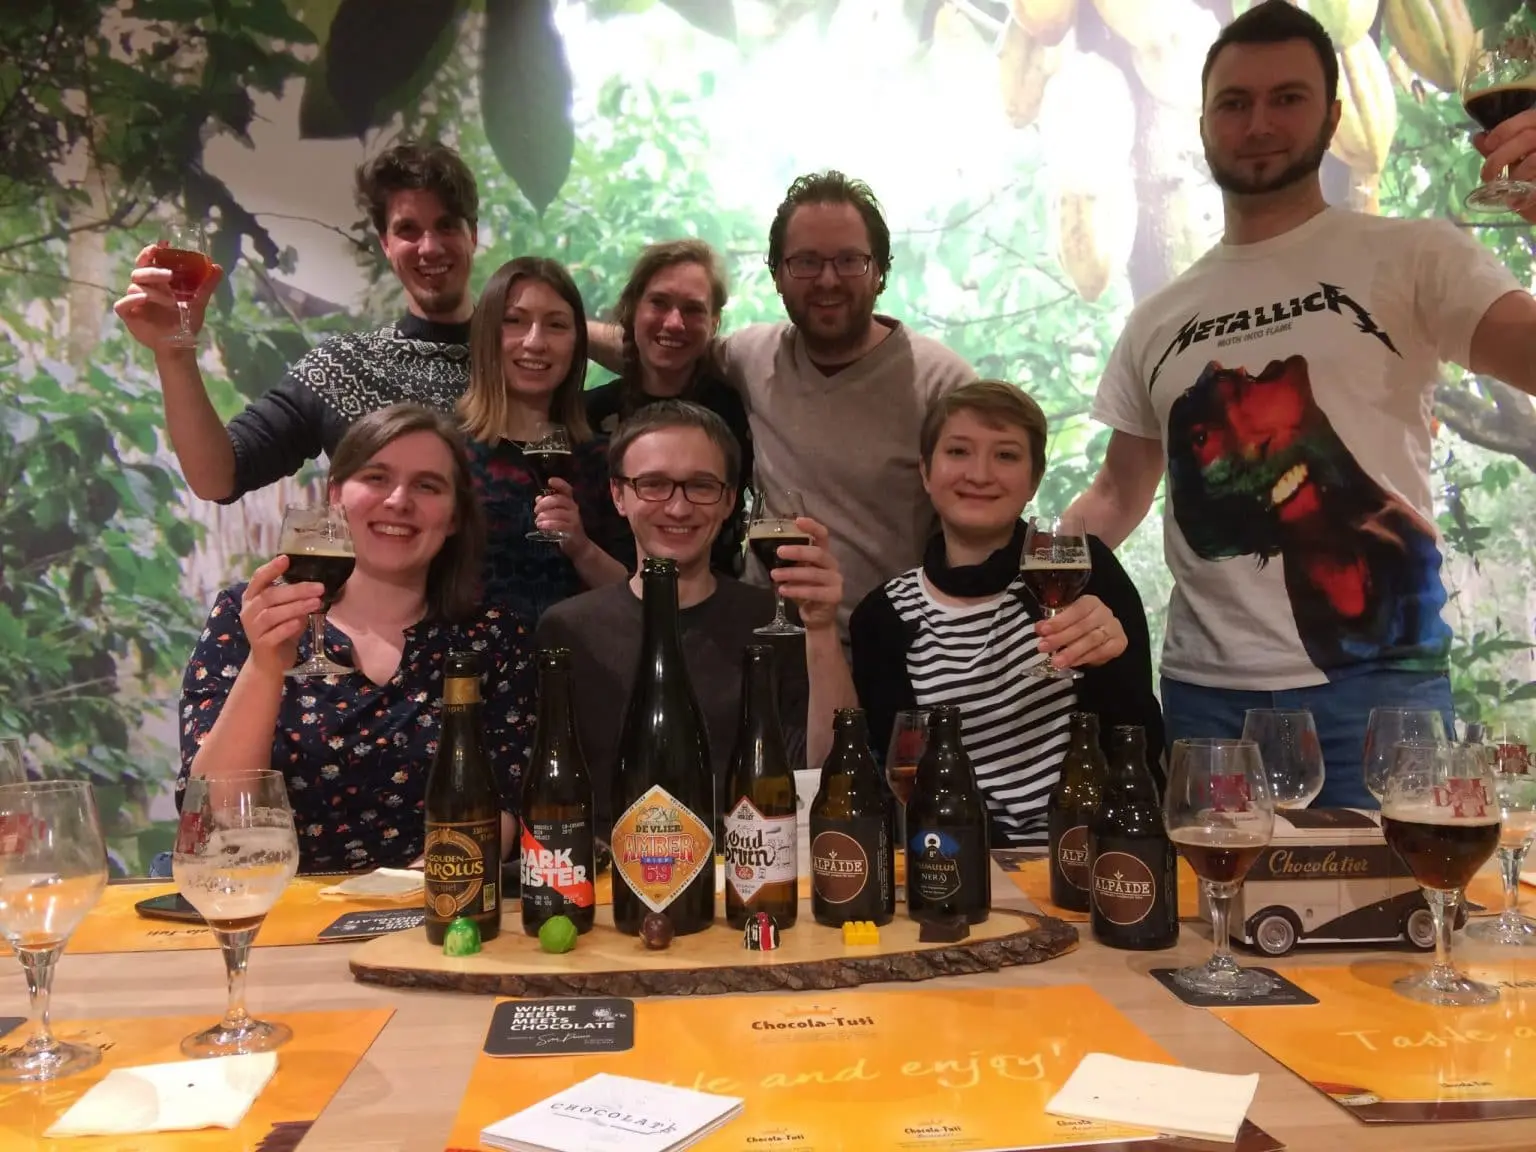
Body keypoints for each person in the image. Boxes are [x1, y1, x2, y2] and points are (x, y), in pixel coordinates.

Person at [1064, 0, 1536, 806]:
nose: (1259, 123)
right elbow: (1117, 492)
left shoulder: (1413, 255)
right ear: (1204, 123)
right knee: (1215, 894)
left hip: (1383, 692)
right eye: (1235, 103)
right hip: (1206, 703)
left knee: (1402, 889)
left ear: (1332, 116)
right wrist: (1009, 569)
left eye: (1287, 98)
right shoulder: (1157, 319)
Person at [590, 173, 976, 635]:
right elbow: (666, 348)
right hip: (763, 641)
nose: (828, 279)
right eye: (805, 262)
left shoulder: (943, 384)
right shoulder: (754, 355)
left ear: (880, 272)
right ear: (777, 275)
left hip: (888, 650)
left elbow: (983, 526)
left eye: (849, 260)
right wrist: (559, 336)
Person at [177, 404, 534, 873]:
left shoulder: (493, 636)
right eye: (377, 478)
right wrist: (265, 666)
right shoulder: (247, 614)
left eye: (427, 486)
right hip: (272, 902)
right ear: (336, 496)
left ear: (454, 517)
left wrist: (416, 893)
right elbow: (212, 822)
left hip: (434, 901)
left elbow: (505, 805)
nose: (398, 500)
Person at [850, 382, 1162, 847]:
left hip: (1093, 850)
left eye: (1006, 455)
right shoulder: (882, 617)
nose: (980, 474)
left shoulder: (1084, 569)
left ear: (1034, 480)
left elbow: (1142, 747)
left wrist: (1109, 660)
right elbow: (909, 780)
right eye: (958, 451)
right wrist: (998, 867)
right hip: (961, 857)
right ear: (926, 472)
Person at [535, 400, 856, 830]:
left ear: (729, 501)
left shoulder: (773, 621)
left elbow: (830, 774)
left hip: (749, 861)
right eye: (653, 484)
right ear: (618, 495)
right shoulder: (568, 630)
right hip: (613, 865)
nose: (679, 508)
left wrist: (820, 628)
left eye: (701, 486)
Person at [114, 140, 479, 503]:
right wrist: (175, 354)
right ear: (386, 244)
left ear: (472, 235)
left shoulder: (512, 359)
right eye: (408, 230)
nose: (429, 247)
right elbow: (219, 477)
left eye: (446, 225)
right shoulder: (345, 368)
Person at [460, 257, 634, 622]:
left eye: (556, 325)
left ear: (576, 343)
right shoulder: (447, 454)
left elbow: (636, 598)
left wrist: (582, 548)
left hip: (580, 654)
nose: (535, 342)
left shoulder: (605, 460)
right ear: (487, 334)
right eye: (514, 320)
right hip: (467, 656)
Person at [584, 240, 752, 576]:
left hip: (719, 599)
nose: (674, 322)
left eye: (693, 309)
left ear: (714, 322)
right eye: (659, 303)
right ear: (633, 310)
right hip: (601, 598)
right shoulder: (589, 413)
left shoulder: (741, 410)